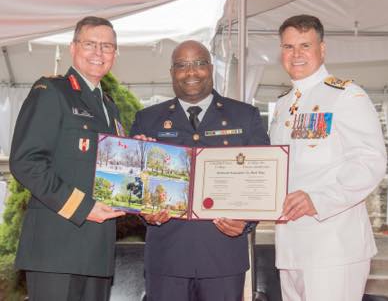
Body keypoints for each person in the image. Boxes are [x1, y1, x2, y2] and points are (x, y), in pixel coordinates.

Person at [130, 40, 269, 301]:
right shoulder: (147, 120)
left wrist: (246, 222)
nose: (191, 72)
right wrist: (145, 213)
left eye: (198, 63)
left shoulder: (245, 116)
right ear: (172, 72)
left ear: (211, 67)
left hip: (223, 258)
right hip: (167, 259)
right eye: (182, 65)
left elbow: (261, 180)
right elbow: (135, 184)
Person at [269, 14, 387, 301]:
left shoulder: (347, 95)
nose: (296, 54)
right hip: (290, 247)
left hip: (333, 245)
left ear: (322, 49)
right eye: (288, 47)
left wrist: (318, 199)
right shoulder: (284, 105)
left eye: (304, 46)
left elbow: (370, 161)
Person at [10, 16, 125, 301]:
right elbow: (26, 161)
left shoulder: (110, 107)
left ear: (115, 54)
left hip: (97, 250)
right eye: (90, 44)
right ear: (73, 48)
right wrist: (83, 207)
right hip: (56, 249)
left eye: (107, 46)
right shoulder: (51, 92)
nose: (98, 53)